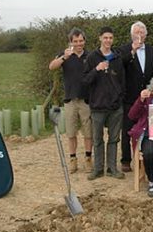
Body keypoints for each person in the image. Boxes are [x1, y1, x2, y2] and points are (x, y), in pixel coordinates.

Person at [48, 27, 93, 174]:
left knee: (88, 133)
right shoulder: (65, 54)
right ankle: (73, 160)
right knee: (71, 133)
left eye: (81, 41)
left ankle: (88, 159)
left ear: (84, 41)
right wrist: (63, 58)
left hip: (86, 100)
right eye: (75, 41)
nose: (79, 44)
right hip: (70, 100)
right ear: (70, 42)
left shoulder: (90, 55)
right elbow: (51, 67)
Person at [83, 26, 125, 180]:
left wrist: (120, 98)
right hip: (98, 107)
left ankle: (112, 168)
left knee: (114, 139)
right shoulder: (92, 57)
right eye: (105, 37)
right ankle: (98, 169)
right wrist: (96, 69)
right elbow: (85, 80)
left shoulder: (117, 57)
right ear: (100, 38)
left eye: (110, 38)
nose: (108, 40)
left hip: (115, 107)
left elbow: (122, 81)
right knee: (97, 139)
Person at [118, 21, 153, 173]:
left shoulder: (151, 50)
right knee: (127, 129)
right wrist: (132, 52)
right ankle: (126, 160)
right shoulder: (124, 50)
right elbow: (120, 67)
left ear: (146, 35)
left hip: (147, 97)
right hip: (129, 96)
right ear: (132, 35)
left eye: (142, 33)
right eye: (137, 33)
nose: (139, 35)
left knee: (146, 128)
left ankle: (145, 158)